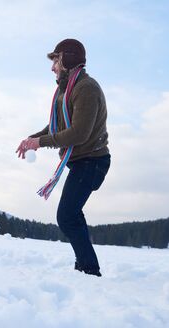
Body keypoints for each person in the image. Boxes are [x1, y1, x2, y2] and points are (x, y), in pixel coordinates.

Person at [16, 39, 110, 277]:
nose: (52, 67)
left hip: (93, 161)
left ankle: (89, 270)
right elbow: (56, 125)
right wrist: (33, 139)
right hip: (81, 162)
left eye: (56, 60)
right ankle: (85, 266)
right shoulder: (66, 89)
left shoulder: (86, 88)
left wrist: (41, 142)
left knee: (67, 216)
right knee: (71, 215)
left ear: (67, 60)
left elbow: (79, 133)